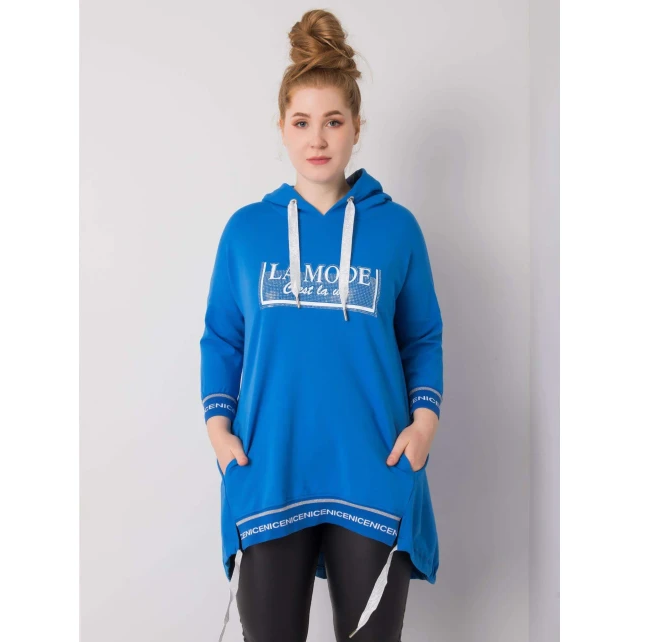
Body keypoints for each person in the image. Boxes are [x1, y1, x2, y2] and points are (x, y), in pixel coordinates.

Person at [200, 9, 444, 642]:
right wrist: (219, 432)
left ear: (356, 127)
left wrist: (424, 424)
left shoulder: (397, 230)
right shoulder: (246, 232)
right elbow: (223, 338)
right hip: (269, 470)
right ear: (282, 128)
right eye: (302, 121)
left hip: (373, 469)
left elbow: (421, 337)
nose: (318, 138)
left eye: (333, 121)